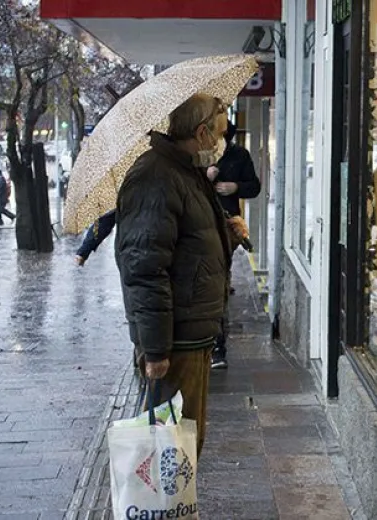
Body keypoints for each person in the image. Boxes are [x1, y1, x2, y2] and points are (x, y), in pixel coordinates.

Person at [115, 93, 246, 458]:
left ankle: (176, 511)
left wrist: (228, 236)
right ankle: (163, 514)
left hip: (193, 332)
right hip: (174, 341)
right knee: (170, 450)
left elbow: (191, 249)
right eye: (219, 134)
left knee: (185, 441)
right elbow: (144, 268)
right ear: (201, 132)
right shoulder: (155, 177)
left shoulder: (185, 171)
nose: (221, 143)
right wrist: (156, 349)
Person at [207, 121, 261, 370]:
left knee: (218, 285)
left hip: (227, 229)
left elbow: (255, 187)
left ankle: (218, 348)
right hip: (198, 228)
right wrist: (204, 177)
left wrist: (235, 187)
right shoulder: (196, 156)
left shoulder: (239, 155)